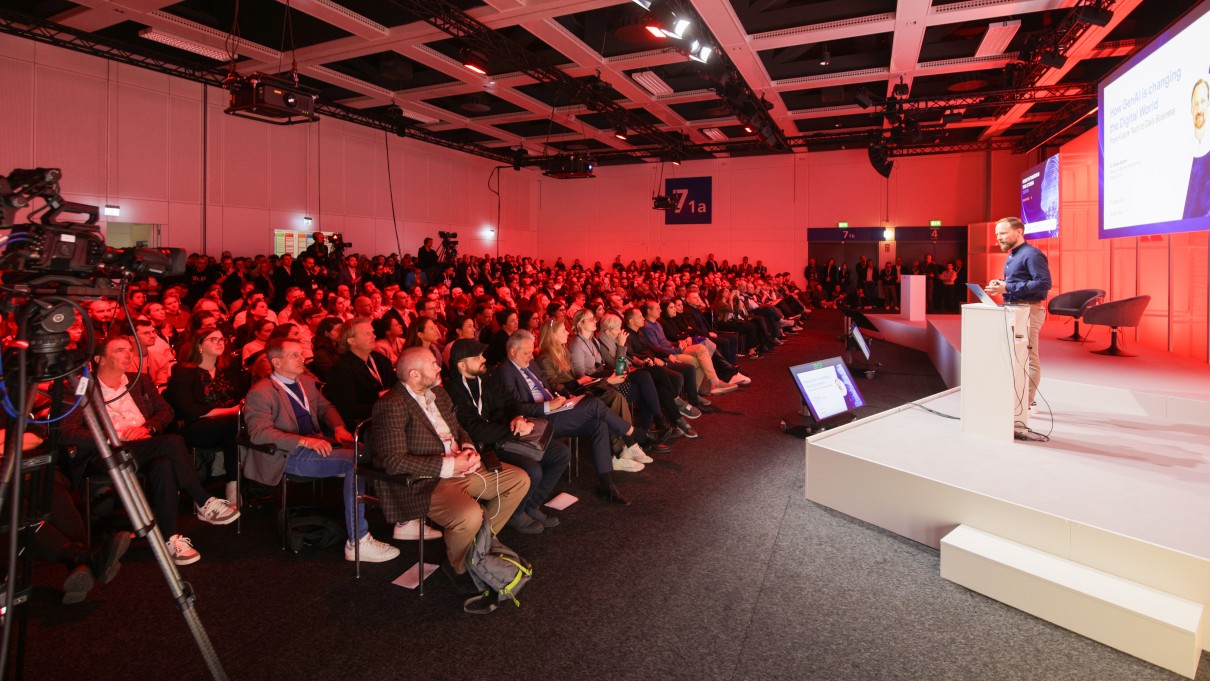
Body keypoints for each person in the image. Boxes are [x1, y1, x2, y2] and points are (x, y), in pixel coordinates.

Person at [370, 347, 530, 606]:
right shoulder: (391, 405)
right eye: (433, 364)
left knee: (519, 480)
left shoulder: (439, 394)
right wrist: (449, 465)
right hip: (426, 480)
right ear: (414, 375)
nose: (438, 368)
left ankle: (476, 549)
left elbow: (459, 429)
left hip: (462, 467)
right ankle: (459, 568)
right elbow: (393, 461)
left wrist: (468, 449)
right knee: (469, 514)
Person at [61, 336, 238, 566]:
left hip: (141, 445)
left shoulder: (140, 381)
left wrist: (147, 427)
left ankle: (170, 538)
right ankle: (203, 501)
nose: (128, 355)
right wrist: (112, 435)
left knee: (164, 465)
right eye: (120, 350)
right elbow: (67, 432)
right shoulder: (81, 389)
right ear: (100, 360)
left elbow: (166, 412)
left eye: (129, 350)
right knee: (172, 442)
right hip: (103, 453)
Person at [243, 338, 399, 563]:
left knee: (374, 451)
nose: (302, 359)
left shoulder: (305, 381)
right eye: (294, 355)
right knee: (355, 462)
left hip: (318, 442)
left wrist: (337, 427)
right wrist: (303, 442)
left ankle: (400, 518)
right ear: (276, 362)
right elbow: (259, 433)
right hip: (288, 454)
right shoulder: (261, 392)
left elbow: (326, 407)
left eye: (300, 354)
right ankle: (358, 540)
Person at [493, 330, 649, 504]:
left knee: (598, 424)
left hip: (555, 407)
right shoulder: (505, 371)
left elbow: (548, 385)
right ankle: (634, 434)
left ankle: (606, 485)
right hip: (538, 420)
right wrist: (547, 406)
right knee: (595, 405)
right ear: (513, 351)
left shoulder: (529, 364)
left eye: (531, 352)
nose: (531, 356)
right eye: (527, 353)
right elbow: (515, 408)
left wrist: (565, 397)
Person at [445, 339, 569, 534]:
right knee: (533, 470)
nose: (483, 359)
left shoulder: (488, 376)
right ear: (461, 365)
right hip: (487, 446)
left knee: (560, 453)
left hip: (508, 435)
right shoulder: (453, 391)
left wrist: (518, 417)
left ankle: (530, 505)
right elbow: (474, 429)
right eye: (477, 357)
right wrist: (513, 431)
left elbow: (511, 401)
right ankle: (516, 513)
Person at [165, 329, 249, 505]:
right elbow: (190, 410)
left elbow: (243, 392)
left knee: (231, 435)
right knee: (236, 425)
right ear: (199, 345)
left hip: (229, 425)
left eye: (222, 339)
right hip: (197, 427)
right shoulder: (185, 372)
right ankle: (240, 483)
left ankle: (233, 484)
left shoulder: (228, 367)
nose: (220, 343)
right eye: (213, 339)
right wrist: (233, 411)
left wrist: (242, 402)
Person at [985, 216, 1052, 428]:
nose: (998, 238)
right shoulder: (1014, 255)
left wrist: (1008, 287)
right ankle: (1017, 397)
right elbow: (1019, 282)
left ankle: (1028, 402)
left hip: (1028, 310)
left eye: (1003, 233)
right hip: (1015, 308)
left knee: (1029, 358)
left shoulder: (1032, 255)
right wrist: (1002, 285)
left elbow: (1043, 283)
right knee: (1016, 357)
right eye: (997, 234)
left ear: (1019, 231)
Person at [322, 317, 398, 426]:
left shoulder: (382, 360)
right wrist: (382, 402)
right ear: (351, 341)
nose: (374, 336)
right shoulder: (340, 370)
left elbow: (396, 387)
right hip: (367, 423)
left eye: (372, 332)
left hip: (392, 415)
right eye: (367, 334)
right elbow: (348, 409)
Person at [1184, 78, 1210, 219]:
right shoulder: (1184, 154)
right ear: (1190, 108)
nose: (1199, 109)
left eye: (1203, 102)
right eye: (1195, 103)